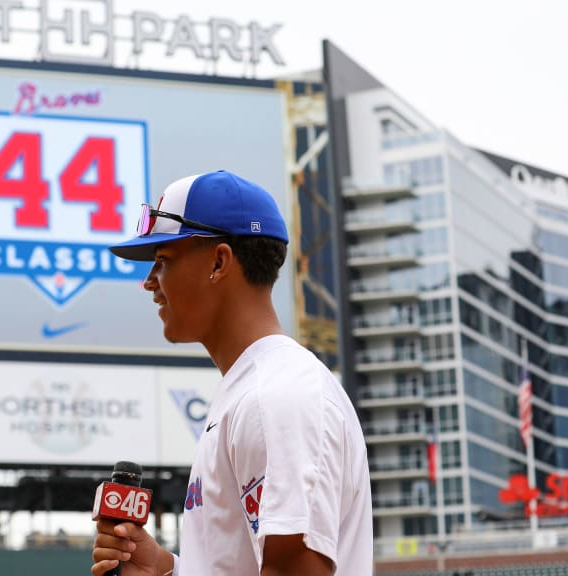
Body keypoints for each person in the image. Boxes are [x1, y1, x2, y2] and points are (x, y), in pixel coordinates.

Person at [92, 170, 372, 576]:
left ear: (219, 262)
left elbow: (296, 570)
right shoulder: (255, 388)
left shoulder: (277, 394)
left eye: (163, 261)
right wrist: (166, 571)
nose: (149, 282)